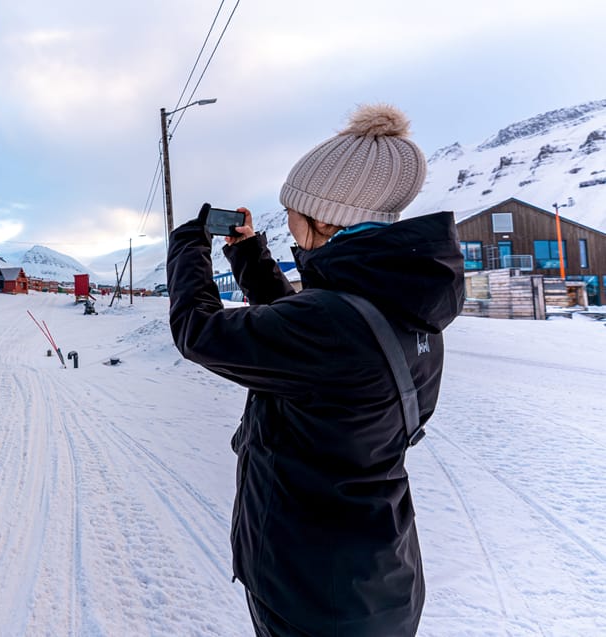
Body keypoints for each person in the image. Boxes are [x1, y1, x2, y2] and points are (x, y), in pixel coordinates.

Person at [166, 104, 465, 636]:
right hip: (375, 580)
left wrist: (188, 246)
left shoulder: (332, 324)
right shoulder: (405, 305)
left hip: (312, 591)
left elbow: (200, 332)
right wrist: (252, 258)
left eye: (292, 212)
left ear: (322, 219)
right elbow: (308, 338)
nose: (287, 223)